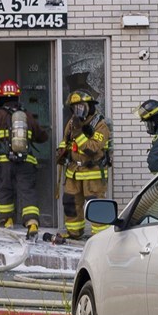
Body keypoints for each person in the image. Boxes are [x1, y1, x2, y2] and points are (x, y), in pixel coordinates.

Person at [0, 79, 48, 237]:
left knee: (5, 191)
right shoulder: (27, 116)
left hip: (4, 163)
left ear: (1, 97)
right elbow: (42, 136)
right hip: (26, 162)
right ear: (18, 97)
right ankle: (32, 223)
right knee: (28, 192)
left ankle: (7, 221)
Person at [56, 90, 111, 240]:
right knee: (70, 203)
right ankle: (74, 232)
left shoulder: (100, 125)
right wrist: (61, 151)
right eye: (75, 108)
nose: (77, 111)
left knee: (95, 204)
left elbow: (92, 148)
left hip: (92, 172)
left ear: (90, 106)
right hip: (73, 171)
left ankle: (100, 236)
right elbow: (66, 140)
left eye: (81, 107)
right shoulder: (73, 122)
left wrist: (79, 133)